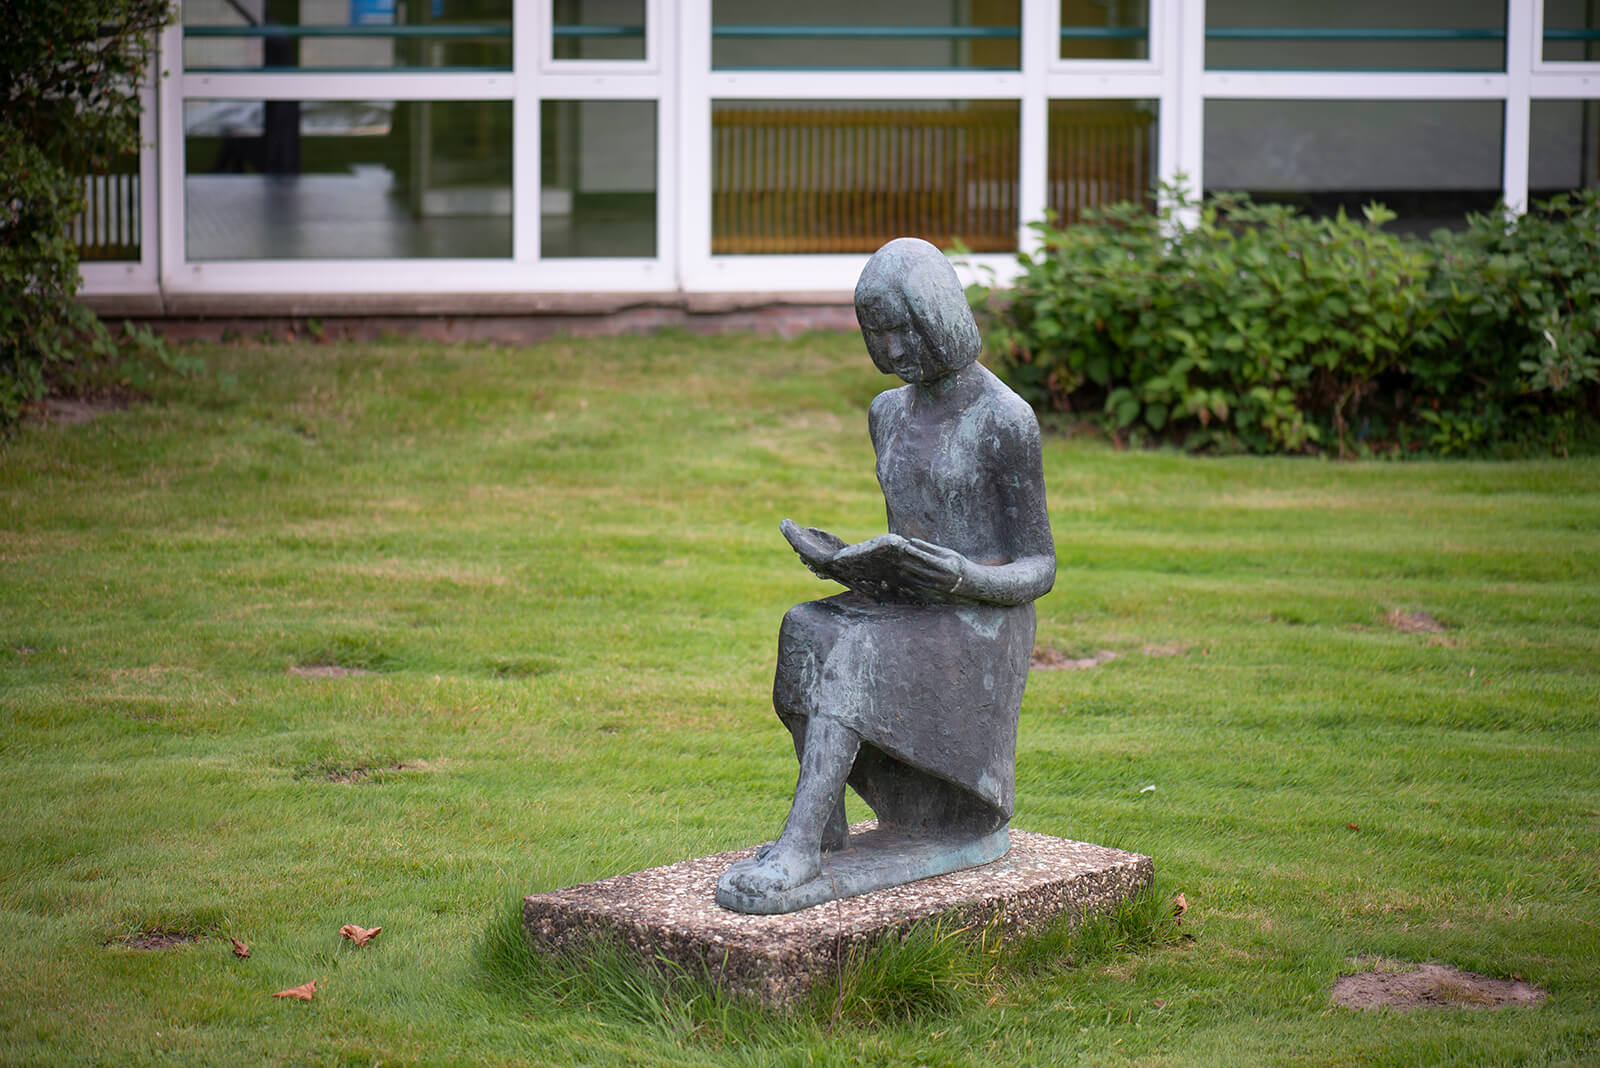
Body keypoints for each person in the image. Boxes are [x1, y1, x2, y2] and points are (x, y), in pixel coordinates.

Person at [717, 238, 1055, 913]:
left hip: (979, 620)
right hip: (911, 602)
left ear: (940, 317)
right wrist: (850, 564)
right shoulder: (887, 414)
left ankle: (799, 845)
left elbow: (1039, 565)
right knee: (804, 626)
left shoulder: (1005, 420)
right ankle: (828, 825)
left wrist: (961, 576)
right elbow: (909, 535)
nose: (893, 348)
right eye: (877, 334)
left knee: (854, 651)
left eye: (905, 328)